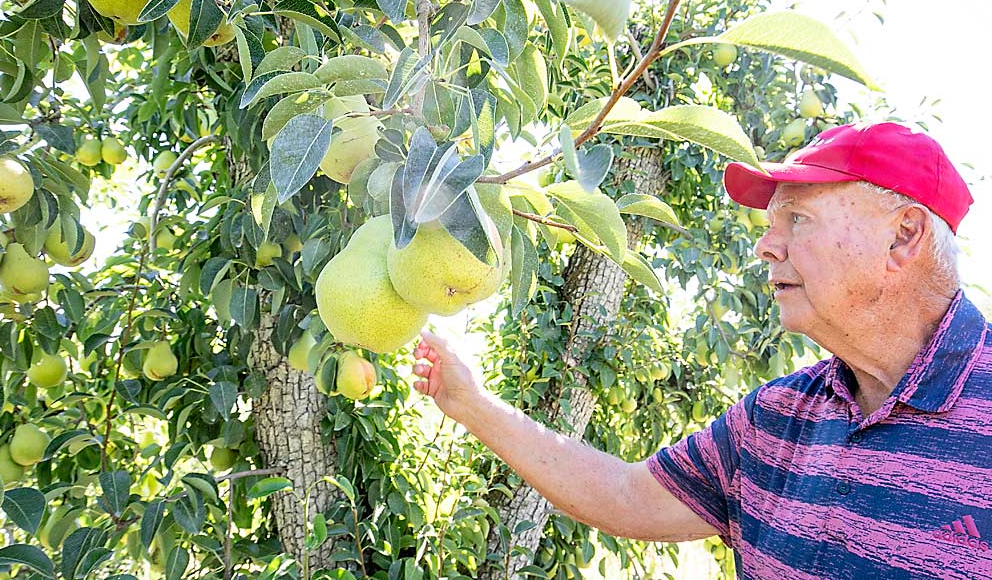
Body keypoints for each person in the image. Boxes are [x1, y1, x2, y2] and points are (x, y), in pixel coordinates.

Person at [412, 122, 992, 580]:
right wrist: (471, 404)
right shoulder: (778, 417)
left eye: (797, 218)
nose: (766, 246)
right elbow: (626, 495)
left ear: (903, 236)